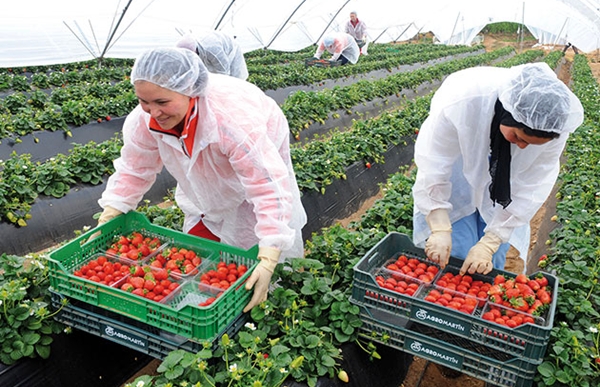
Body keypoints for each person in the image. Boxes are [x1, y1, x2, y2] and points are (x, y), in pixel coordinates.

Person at [96, 47, 307, 313]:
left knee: (253, 246)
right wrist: (113, 208)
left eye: (162, 102)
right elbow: (134, 168)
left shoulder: (232, 121)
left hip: (255, 160)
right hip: (204, 184)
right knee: (205, 243)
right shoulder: (143, 121)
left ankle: (271, 304)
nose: (154, 112)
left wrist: (268, 257)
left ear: (189, 92)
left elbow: (266, 186)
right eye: (144, 101)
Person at [412, 62, 583, 276]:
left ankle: (479, 300)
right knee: (455, 252)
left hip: (506, 188)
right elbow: (434, 163)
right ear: (508, 115)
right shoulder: (463, 100)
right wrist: (438, 225)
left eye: (530, 144)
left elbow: (531, 186)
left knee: (487, 263)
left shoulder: (554, 125)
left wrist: (489, 243)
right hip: (459, 174)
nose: (521, 146)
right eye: (519, 138)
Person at [175, 30, 249, 80]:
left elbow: (223, 71)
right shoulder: (194, 47)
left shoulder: (212, 49)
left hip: (231, 53)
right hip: (212, 53)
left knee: (235, 80)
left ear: (195, 51)